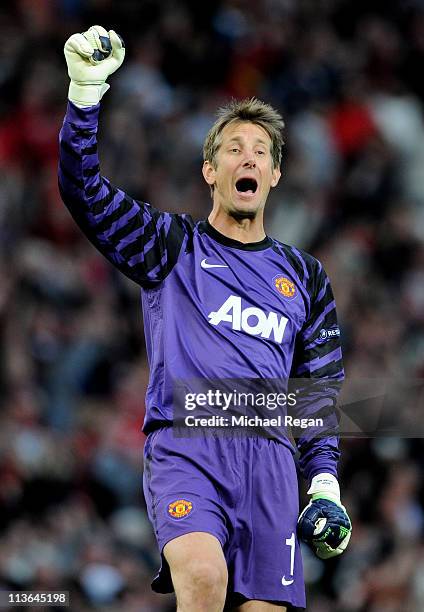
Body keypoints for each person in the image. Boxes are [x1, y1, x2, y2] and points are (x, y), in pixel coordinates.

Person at [59, 25, 352, 612]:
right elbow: (84, 192)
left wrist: (324, 483)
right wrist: (85, 97)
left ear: (273, 177)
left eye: (261, 152)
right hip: (189, 446)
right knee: (203, 577)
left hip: (271, 462)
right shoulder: (171, 247)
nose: (249, 157)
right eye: (233, 149)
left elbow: (316, 395)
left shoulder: (307, 278)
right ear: (209, 172)